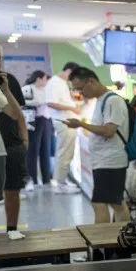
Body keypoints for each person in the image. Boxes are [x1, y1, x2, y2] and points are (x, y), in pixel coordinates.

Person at [65, 68, 130, 224]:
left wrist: (81, 124)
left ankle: (103, 244)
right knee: (116, 202)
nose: (80, 93)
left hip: (111, 161)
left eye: (81, 88)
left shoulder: (113, 101)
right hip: (104, 160)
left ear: (91, 81)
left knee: (99, 203)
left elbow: (109, 131)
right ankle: (121, 238)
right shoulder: (102, 100)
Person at [0, 44, 28, 232]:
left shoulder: (9, 80)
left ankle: (11, 230)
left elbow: (18, 114)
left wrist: (25, 140)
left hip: (11, 144)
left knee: (12, 191)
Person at [46, 61, 82, 193]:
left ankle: (62, 179)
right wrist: (72, 108)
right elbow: (51, 103)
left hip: (67, 121)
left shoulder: (62, 83)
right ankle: (59, 183)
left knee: (67, 153)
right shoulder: (55, 83)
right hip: (63, 121)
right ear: (69, 71)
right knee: (64, 153)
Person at [22, 70, 53, 192]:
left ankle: (46, 179)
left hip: (46, 120)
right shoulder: (28, 88)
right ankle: (32, 179)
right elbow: (23, 102)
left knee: (46, 150)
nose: (46, 82)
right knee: (33, 151)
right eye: (45, 79)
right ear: (38, 79)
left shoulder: (46, 90)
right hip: (33, 121)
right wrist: (40, 102)